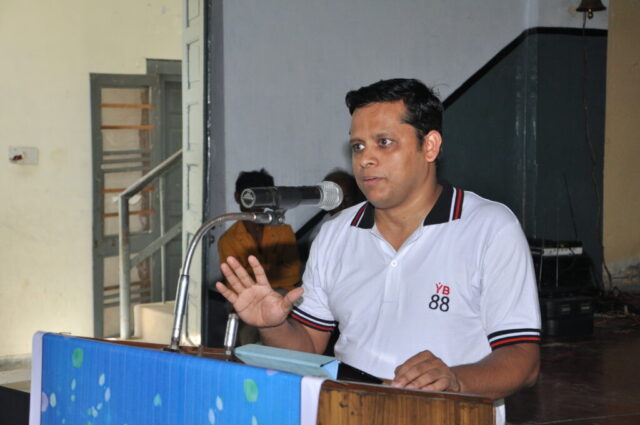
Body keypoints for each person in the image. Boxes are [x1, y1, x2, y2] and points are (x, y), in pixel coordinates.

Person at [216, 79, 540, 424]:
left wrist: (456, 381)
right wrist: (275, 325)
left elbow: (523, 359)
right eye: (357, 146)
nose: (365, 159)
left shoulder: (489, 228)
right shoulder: (336, 234)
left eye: (384, 143)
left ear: (429, 146)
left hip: (451, 415)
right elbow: (308, 347)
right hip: (348, 413)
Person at [217, 169, 302, 343]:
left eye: (260, 195)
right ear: (238, 197)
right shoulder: (228, 239)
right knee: (247, 327)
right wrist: (273, 271)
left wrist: (256, 275)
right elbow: (234, 284)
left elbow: (293, 274)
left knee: (291, 319)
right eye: (250, 195)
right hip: (248, 300)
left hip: (283, 294)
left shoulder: (283, 231)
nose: (254, 201)